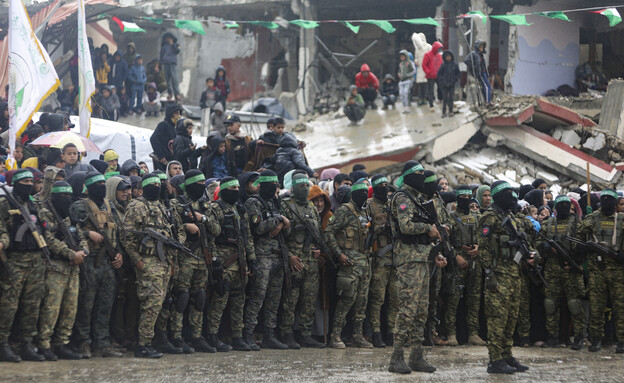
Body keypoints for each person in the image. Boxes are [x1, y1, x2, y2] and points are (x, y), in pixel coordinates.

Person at [387, 161, 440, 374]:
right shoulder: (402, 198)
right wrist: (428, 228)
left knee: (421, 310)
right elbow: (406, 227)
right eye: (417, 173)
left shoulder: (416, 199)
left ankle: (416, 356)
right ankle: (396, 357)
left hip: (421, 257)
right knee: (407, 309)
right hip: (408, 260)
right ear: (408, 176)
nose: (421, 177)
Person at [478, 180, 534, 374]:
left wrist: (531, 255)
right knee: (497, 319)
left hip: (514, 274)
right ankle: (495, 360)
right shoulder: (489, 217)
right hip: (498, 274)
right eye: (507, 193)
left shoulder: (511, 216)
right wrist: (488, 273)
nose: (511, 197)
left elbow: (522, 241)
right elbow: (483, 248)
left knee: (511, 318)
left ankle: (506, 355)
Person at [121, 173, 178, 358]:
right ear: (143, 187)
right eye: (151, 184)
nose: (156, 186)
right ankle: (143, 344)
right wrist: (137, 260)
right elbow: (127, 236)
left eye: (157, 183)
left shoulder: (161, 206)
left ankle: (150, 340)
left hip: (162, 262)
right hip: (148, 261)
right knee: (151, 303)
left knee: (160, 303)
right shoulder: (137, 205)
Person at [70, 171, 123, 359]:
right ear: (89, 187)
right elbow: (70, 230)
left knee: (105, 304)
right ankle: (83, 342)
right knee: (86, 304)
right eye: (97, 183)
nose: (101, 186)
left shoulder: (109, 206)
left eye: (103, 183)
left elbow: (119, 232)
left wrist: (119, 255)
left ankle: (103, 343)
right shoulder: (79, 206)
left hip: (108, 261)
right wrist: (87, 235)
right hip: (89, 261)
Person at [35, 181, 86, 361]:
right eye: (63, 196)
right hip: (56, 267)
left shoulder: (68, 215)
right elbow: (48, 239)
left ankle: (62, 343)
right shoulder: (46, 213)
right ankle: (44, 344)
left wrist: (83, 251)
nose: (67, 199)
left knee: (70, 309)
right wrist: (71, 254)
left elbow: (80, 235)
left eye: (69, 196)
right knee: (51, 308)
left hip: (73, 268)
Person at [0, 170, 48, 362]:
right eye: (25, 181)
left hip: (36, 260)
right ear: (16, 183)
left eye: (31, 181)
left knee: (32, 305)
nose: (29, 184)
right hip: (15, 260)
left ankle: (26, 343)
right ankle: (3, 343)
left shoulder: (33, 204)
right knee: (9, 305)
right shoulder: (5, 204)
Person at [204, 177, 256, 351]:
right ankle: (213, 335)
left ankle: (237, 336)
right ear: (224, 190)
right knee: (220, 299)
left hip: (240, 262)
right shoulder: (215, 209)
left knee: (238, 301)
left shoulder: (240, 210)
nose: (236, 190)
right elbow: (210, 237)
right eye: (232, 187)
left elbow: (247, 237)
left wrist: (252, 260)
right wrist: (215, 261)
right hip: (224, 262)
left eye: (238, 187)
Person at [169, 170, 217, 352]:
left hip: (203, 257)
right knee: (181, 297)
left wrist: (201, 217)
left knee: (199, 297)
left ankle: (197, 336)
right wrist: (185, 225)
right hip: (185, 257)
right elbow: (171, 228)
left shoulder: (206, 204)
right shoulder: (176, 203)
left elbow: (216, 228)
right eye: (198, 182)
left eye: (204, 182)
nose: (201, 186)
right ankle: (177, 336)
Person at [278, 173, 327, 349]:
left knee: (309, 299)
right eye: (301, 186)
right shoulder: (285, 205)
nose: (305, 188)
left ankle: (306, 334)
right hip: (295, 259)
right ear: (294, 186)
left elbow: (317, 233)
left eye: (307, 185)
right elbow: (280, 237)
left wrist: (318, 250)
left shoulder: (312, 208)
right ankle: (287, 333)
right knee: (291, 300)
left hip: (310, 260)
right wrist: (289, 256)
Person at [243, 170, 289, 350]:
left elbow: (288, 227)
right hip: (262, 256)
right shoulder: (253, 202)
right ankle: (248, 333)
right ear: (262, 185)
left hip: (278, 255)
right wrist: (279, 220)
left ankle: (270, 334)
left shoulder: (275, 203)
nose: (274, 188)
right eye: (272, 184)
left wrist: (283, 222)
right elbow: (258, 228)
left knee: (274, 299)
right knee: (257, 297)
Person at [324, 181, 373, 349]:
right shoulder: (344, 211)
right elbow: (328, 232)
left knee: (362, 301)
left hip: (365, 262)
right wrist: (339, 254)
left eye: (366, 193)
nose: (364, 196)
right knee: (347, 299)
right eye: (361, 194)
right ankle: (335, 335)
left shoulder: (365, 212)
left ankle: (357, 336)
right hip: (349, 264)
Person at [577, 189, 624, 354]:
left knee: (620, 307)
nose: (606, 202)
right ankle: (596, 339)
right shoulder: (592, 219)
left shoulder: (621, 219)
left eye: (609, 199)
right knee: (596, 306)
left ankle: (621, 341)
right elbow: (578, 235)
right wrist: (583, 246)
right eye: (603, 199)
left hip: (618, 270)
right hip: (597, 269)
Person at [537, 195, 586, 350]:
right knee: (550, 304)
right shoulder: (549, 223)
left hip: (570, 269)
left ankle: (579, 337)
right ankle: (552, 336)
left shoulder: (578, 223)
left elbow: (585, 245)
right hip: (552, 269)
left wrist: (576, 259)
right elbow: (537, 241)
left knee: (574, 304)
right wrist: (544, 247)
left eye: (567, 204)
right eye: (561, 204)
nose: (565, 207)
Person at [445, 185, 483, 346]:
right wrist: (456, 255)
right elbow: (445, 241)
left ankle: (473, 333)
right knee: (453, 299)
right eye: (463, 197)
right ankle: (451, 333)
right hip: (457, 261)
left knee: (473, 299)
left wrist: (478, 247)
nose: (466, 201)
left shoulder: (477, 217)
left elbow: (484, 236)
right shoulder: (450, 217)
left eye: (469, 197)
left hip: (475, 260)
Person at [366, 175, 398, 348]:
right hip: (379, 257)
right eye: (381, 185)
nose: (384, 188)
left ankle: (392, 332)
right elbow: (367, 228)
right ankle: (376, 332)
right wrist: (383, 227)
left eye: (386, 185)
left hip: (395, 256)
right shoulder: (369, 205)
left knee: (395, 298)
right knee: (377, 298)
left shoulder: (392, 204)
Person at [150, 104, 182, 171]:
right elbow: (153, 139)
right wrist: (160, 155)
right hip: (164, 159)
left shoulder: (174, 128)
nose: (178, 116)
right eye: (176, 113)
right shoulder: (163, 125)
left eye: (179, 113)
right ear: (170, 114)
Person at [465, 40, 492, 105]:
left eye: (482, 47)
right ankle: (488, 101)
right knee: (487, 86)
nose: (481, 48)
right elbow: (466, 60)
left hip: (484, 72)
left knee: (485, 87)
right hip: (480, 73)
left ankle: (486, 100)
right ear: (477, 47)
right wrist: (473, 67)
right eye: (480, 47)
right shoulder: (474, 54)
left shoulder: (481, 55)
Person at [437, 50, 460, 118]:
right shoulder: (443, 65)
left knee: (451, 98)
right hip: (444, 85)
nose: (448, 58)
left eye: (449, 56)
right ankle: (444, 112)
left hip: (452, 84)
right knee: (445, 98)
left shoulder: (454, 65)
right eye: (447, 57)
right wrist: (442, 80)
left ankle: (451, 111)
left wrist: (455, 79)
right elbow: (439, 74)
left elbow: (458, 73)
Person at [422, 41, 443, 112]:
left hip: (438, 75)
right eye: (438, 48)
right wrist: (428, 72)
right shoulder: (427, 55)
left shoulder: (439, 56)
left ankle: (442, 100)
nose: (438, 50)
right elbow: (424, 65)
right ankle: (431, 105)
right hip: (430, 76)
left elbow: (441, 64)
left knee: (441, 88)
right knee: (430, 91)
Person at [412, 33, 431, 106]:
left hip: (426, 68)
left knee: (425, 84)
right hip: (420, 68)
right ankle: (420, 98)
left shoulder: (428, 46)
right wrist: (416, 61)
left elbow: (431, 56)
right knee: (420, 84)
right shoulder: (417, 49)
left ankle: (424, 98)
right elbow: (416, 57)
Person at [161, 33, 181, 101]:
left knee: (174, 79)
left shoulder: (176, 45)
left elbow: (177, 51)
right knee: (167, 79)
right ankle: (170, 93)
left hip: (172, 63)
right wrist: (161, 64)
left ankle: (177, 94)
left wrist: (172, 44)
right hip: (166, 63)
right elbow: (161, 55)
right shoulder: (164, 46)